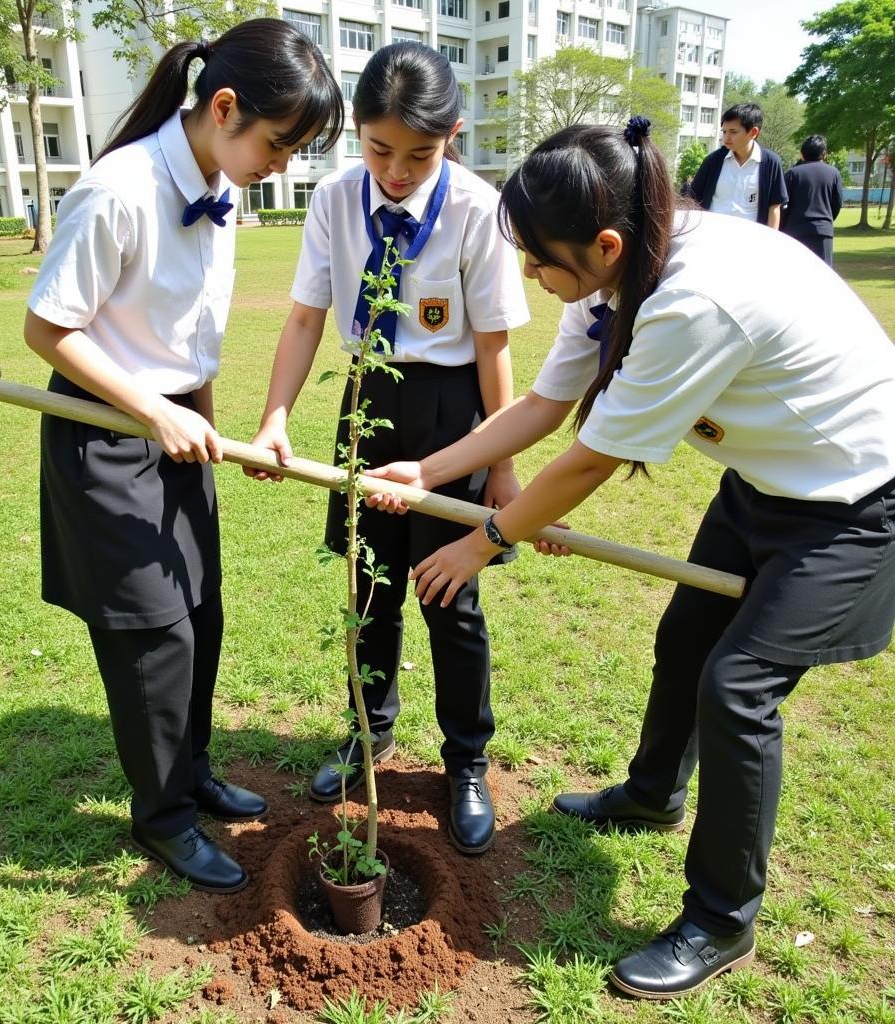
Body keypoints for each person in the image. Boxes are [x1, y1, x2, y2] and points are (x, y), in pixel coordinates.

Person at [365, 119, 895, 996]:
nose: (535, 277)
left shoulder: (694, 298)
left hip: (859, 496)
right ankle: (653, 794)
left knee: (738, 686)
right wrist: (427, 468)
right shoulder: (616, 272)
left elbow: (588, 460)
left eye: (542, 260)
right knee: (687, 642)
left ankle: (722, 919)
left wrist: (483, 539)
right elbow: (544, 404)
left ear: (603, 242)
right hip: (767, 482)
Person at [23, 21, 344, 893]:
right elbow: (48, 329)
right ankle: (161, 816)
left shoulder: (222, 189)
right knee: (151, 638)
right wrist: (152, 410)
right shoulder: (117, 189)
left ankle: (192, 773)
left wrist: (212, 430)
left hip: (178, 432)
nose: (282, 164)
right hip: (108, 435)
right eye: (280, 144)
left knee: (200, 614)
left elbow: (190, 340)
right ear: (225, 107)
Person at [247, 42, 530, 855]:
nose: (397, 172)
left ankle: (466, 762)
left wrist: (500, 465)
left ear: (454, 136)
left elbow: (492, 347)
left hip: (453, 415)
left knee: (450, 597)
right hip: (368, 398)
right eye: (379, 150)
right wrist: (274, 416)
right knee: (369, 589)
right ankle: (367, 734)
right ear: (357, 136)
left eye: (420, 154)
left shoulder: (479, 209)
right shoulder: (335, 199)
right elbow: (305, 317)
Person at [689, 102, 788, 228]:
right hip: (713, 235)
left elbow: (774, 208)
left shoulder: (770, 163)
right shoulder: (713, 160)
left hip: (751, 239)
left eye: (733, 132)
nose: (726, 138)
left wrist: (770, 242)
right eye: (724, 132)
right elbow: (693, 199)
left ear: (753, 132)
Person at [781, 134, 844, 265]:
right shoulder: (833, 173)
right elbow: (836, 204)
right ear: (824, 154)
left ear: (801, 154)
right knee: (823, 275)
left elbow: (784, 205)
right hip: (823, 231)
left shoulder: (793, 174)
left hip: (795, 231)